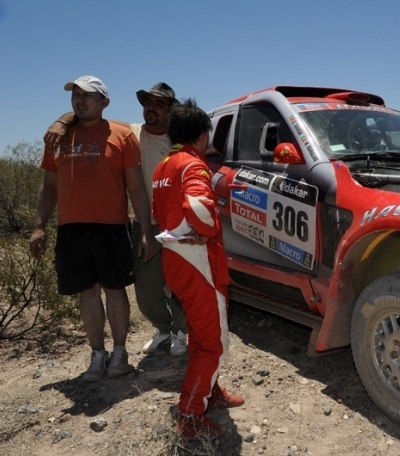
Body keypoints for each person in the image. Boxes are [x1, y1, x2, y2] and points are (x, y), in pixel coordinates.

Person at [44, 83, 188, 357]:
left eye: (159, 104)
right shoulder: (130, 133)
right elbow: (88, 115)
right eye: (147, 102)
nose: (151, 108)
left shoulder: (181, 141)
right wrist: (61, 120)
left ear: (171, 110)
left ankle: (181, 332)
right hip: (146, 223)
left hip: (179, 223)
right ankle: (163, 328)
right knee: (146, 291)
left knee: (181, 283)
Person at [29, 75, 153, 382]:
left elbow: (136, 187)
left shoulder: (121, 134)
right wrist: (39, 226)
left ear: (104, 102)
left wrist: (146, 229)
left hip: (111, 225)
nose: (80, 100)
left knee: (114, 289)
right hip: (71, 227)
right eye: (76, 95)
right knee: (87, 292)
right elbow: (49, 187)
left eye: (88, 95)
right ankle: (98, 355)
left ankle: (120, 353)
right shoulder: (57, 138)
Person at [151, 99, 244, 440]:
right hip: (199, 264)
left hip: (176, 262)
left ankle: (210, 392)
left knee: (200, 332)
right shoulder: (193, 164)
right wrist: (205, 228)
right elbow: (198, 207)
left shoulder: (164, 165)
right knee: (213, 344)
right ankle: (190, 417)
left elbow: (165, 207)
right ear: (203, 135)